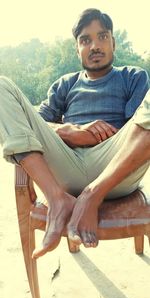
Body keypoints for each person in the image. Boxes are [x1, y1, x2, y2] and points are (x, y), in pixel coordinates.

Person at [0, 8, 150, 259]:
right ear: (76, 48)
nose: (95, 46)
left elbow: (139, 131)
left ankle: (92, 195)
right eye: (85, 40)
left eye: (102, 37)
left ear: (113, 42)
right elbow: (30, 125)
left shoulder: (132, 77)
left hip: (116, 167)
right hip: (66, 168)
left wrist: (96, 185)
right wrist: (69, 132)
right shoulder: (65, 84)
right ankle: (57, 199)